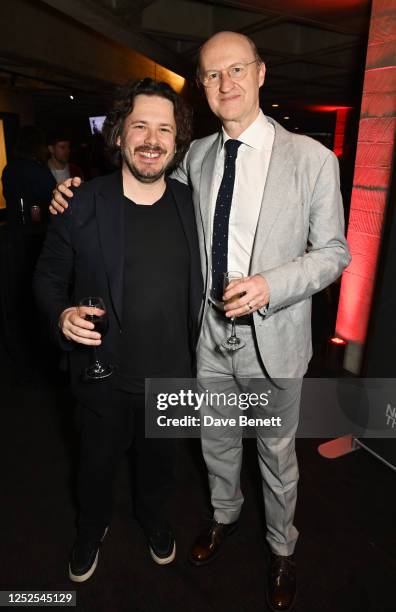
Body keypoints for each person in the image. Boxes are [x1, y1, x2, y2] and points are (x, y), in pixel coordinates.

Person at [50, 31, 351, 610]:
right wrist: (76, 196)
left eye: (236, 69)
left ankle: (281, 547)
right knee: (215, 442)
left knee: (275, 453)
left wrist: (270, 286)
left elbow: (334, 251)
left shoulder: (311, 158)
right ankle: (223, 517)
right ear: (204, 88)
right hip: (206, 340)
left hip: (274, 339)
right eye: (212, 75)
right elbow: (144, 193)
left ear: (261, 73)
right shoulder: (197, 156)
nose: (225, 83)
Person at [34, 78, 203, 583]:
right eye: (141, 126)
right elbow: (46, 279)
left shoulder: (194, 206)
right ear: (120, 135)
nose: (152, 140)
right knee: (94, 468)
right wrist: (61, 315)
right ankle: (91, 528)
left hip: (172, 377)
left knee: (161, 469)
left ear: (177, 141)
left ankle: (153, 520)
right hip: (101, 375)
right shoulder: (82, 202)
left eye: (165, 130)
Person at [2, 125, 55, 225]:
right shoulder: (38, 170)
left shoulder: (9, 168)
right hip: (36, 230)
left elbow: (7, 195)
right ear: (37, 145)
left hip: (13, 226)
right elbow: (50, 196)